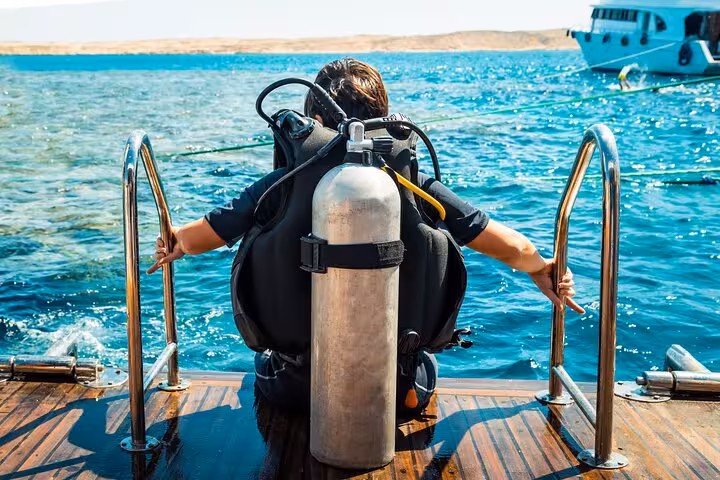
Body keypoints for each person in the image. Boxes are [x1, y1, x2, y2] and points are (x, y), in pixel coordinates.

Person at [149, 58, 583, 415]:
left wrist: (171, 239)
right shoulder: (416, 187)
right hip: (400, 395)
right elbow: (512, 246)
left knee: (263, 367)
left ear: (312, 117)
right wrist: (543, 269)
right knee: (423, 363)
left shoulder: (279, 185)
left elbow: (197, 237)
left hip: (296, 393)